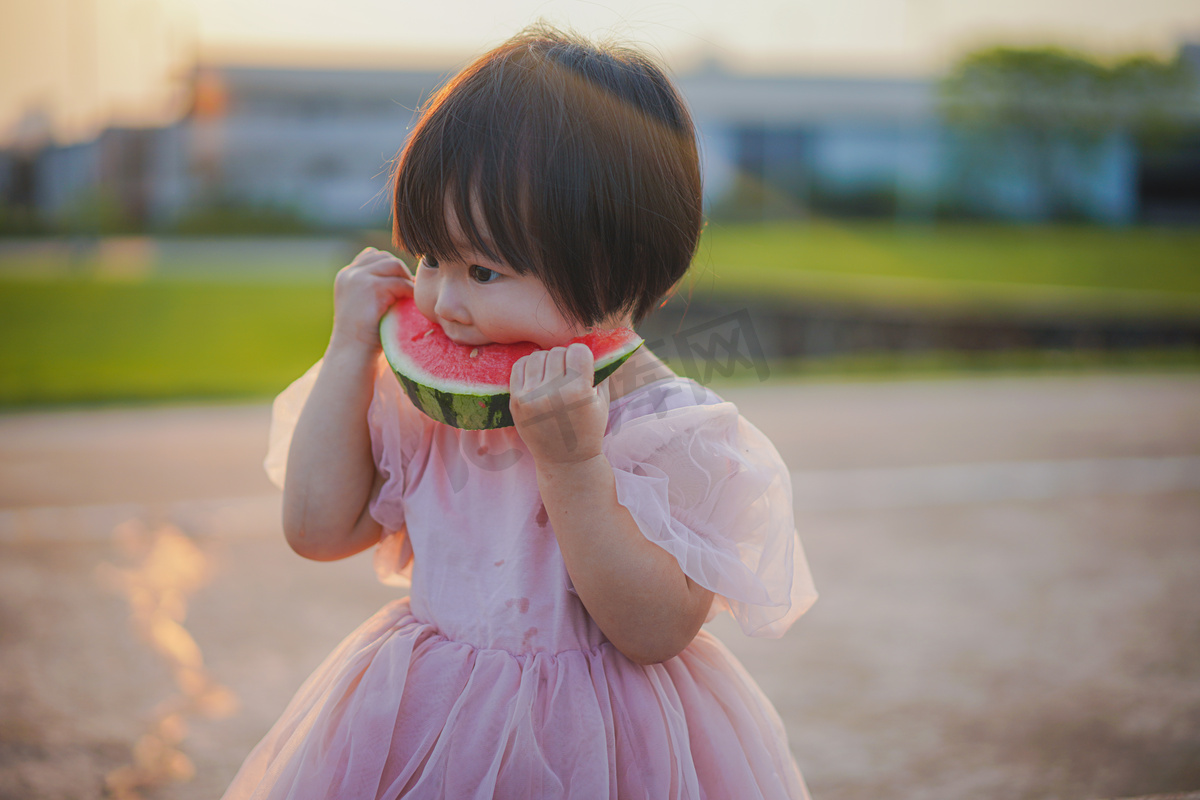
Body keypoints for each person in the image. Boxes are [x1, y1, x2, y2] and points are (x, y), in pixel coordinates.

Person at [222, 24, 817, 800]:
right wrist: (348, 356)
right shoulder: (426, 406)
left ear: (611, 266)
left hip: (609, 742)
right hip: (428, 714)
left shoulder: (675, 430)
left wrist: (574, 465)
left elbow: (653, 630)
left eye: (482, 269)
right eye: (430, 256)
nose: (440, 299)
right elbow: (317, 529)